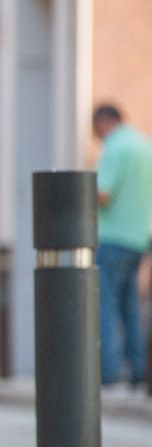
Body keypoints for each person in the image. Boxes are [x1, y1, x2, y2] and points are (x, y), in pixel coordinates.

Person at [94, 103, 152, 387]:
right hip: (140, 238)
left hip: (112, 237)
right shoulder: (145, 145)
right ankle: (140, 370)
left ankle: (111, 372)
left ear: (104, 123)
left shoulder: (115, 147)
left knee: (105, 306)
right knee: (133, 306)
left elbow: (103, 193)